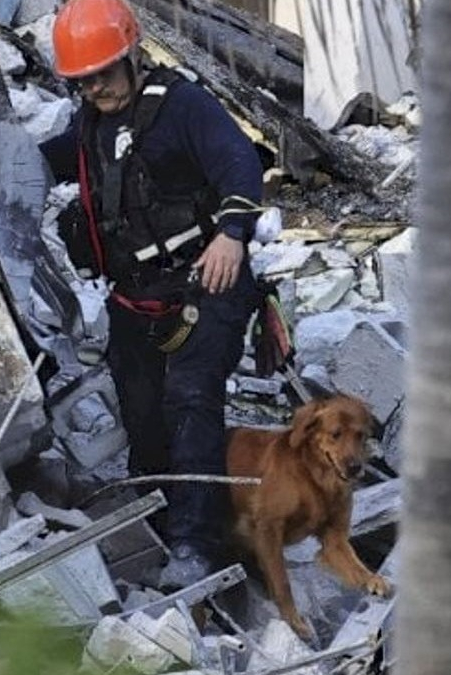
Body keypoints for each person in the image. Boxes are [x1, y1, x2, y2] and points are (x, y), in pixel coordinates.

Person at [40, 0, 265, 589]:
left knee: (191, 400)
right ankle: (157, 520)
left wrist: (233, 234)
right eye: (83, 81)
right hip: (135, 295)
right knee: (143, 413)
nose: (95, 88)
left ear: (132, 55)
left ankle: (195, 544)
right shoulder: (90, 123)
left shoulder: (182, 106)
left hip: (203, 282)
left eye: (104, 74)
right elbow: (56, 162)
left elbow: (240, 162)